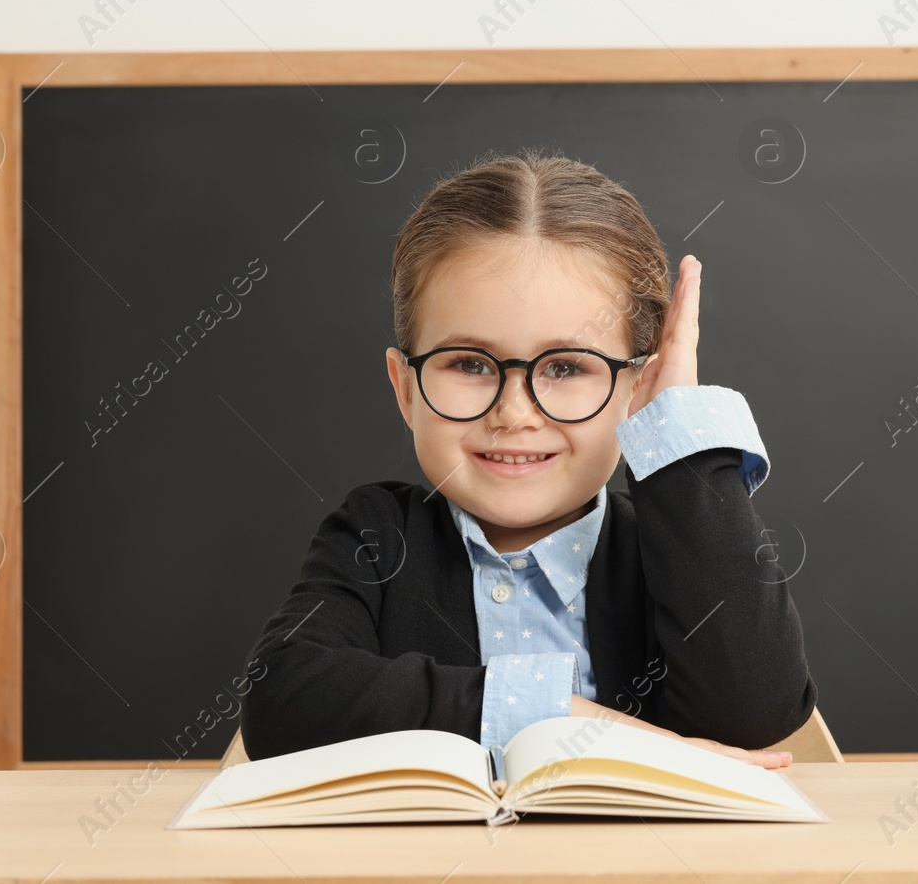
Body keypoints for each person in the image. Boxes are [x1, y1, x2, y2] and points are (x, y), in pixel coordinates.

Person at [239, 150, 816, 777]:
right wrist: (567, 718)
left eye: (566, 368)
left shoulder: (672, 554)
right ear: (405, 389)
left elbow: (757, 709)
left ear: (636, 393)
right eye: (470, 363)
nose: (514, 413)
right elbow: (283, 698)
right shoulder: (377, 536)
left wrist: (673, 434)